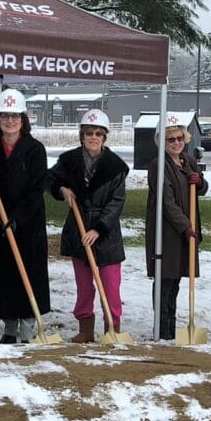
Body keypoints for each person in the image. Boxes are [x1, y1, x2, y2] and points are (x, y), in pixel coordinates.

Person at [47, 109, 129, 343]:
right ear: (81, 136)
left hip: (106, 235)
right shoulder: (68, 161)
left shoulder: (116, 167)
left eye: (98, 133)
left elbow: (117, 202)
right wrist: (60, 189)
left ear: (105, 138)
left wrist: (99, 229)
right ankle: (85, 328)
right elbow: (49, 179)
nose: (93, 137)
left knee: (111, 287)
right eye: (88, 133)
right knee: (84, 286)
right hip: (78, 230)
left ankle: (112, 329)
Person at [0, 89, 50, 344]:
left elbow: (36, 189)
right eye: (5, 116)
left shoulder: (35, 149)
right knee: (5, 275)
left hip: (28, 224)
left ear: (23, 119)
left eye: (15, 116)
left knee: (27, 274)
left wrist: (18, 217)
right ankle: (9, 329)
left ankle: (29, 329)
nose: (10, 121)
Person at [145, 119, 207, 340]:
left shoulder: (188, 160)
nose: (176, 143)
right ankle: (161, 329)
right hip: (167, 232)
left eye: (180, 138)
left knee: (177, 280)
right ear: (162, 141)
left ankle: (172, 328)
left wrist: (199, 182)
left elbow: (202, 188)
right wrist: (185, 225)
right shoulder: (158, 165)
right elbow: (167, 201)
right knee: (164, 279)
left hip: (185, 232)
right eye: (171, 139)